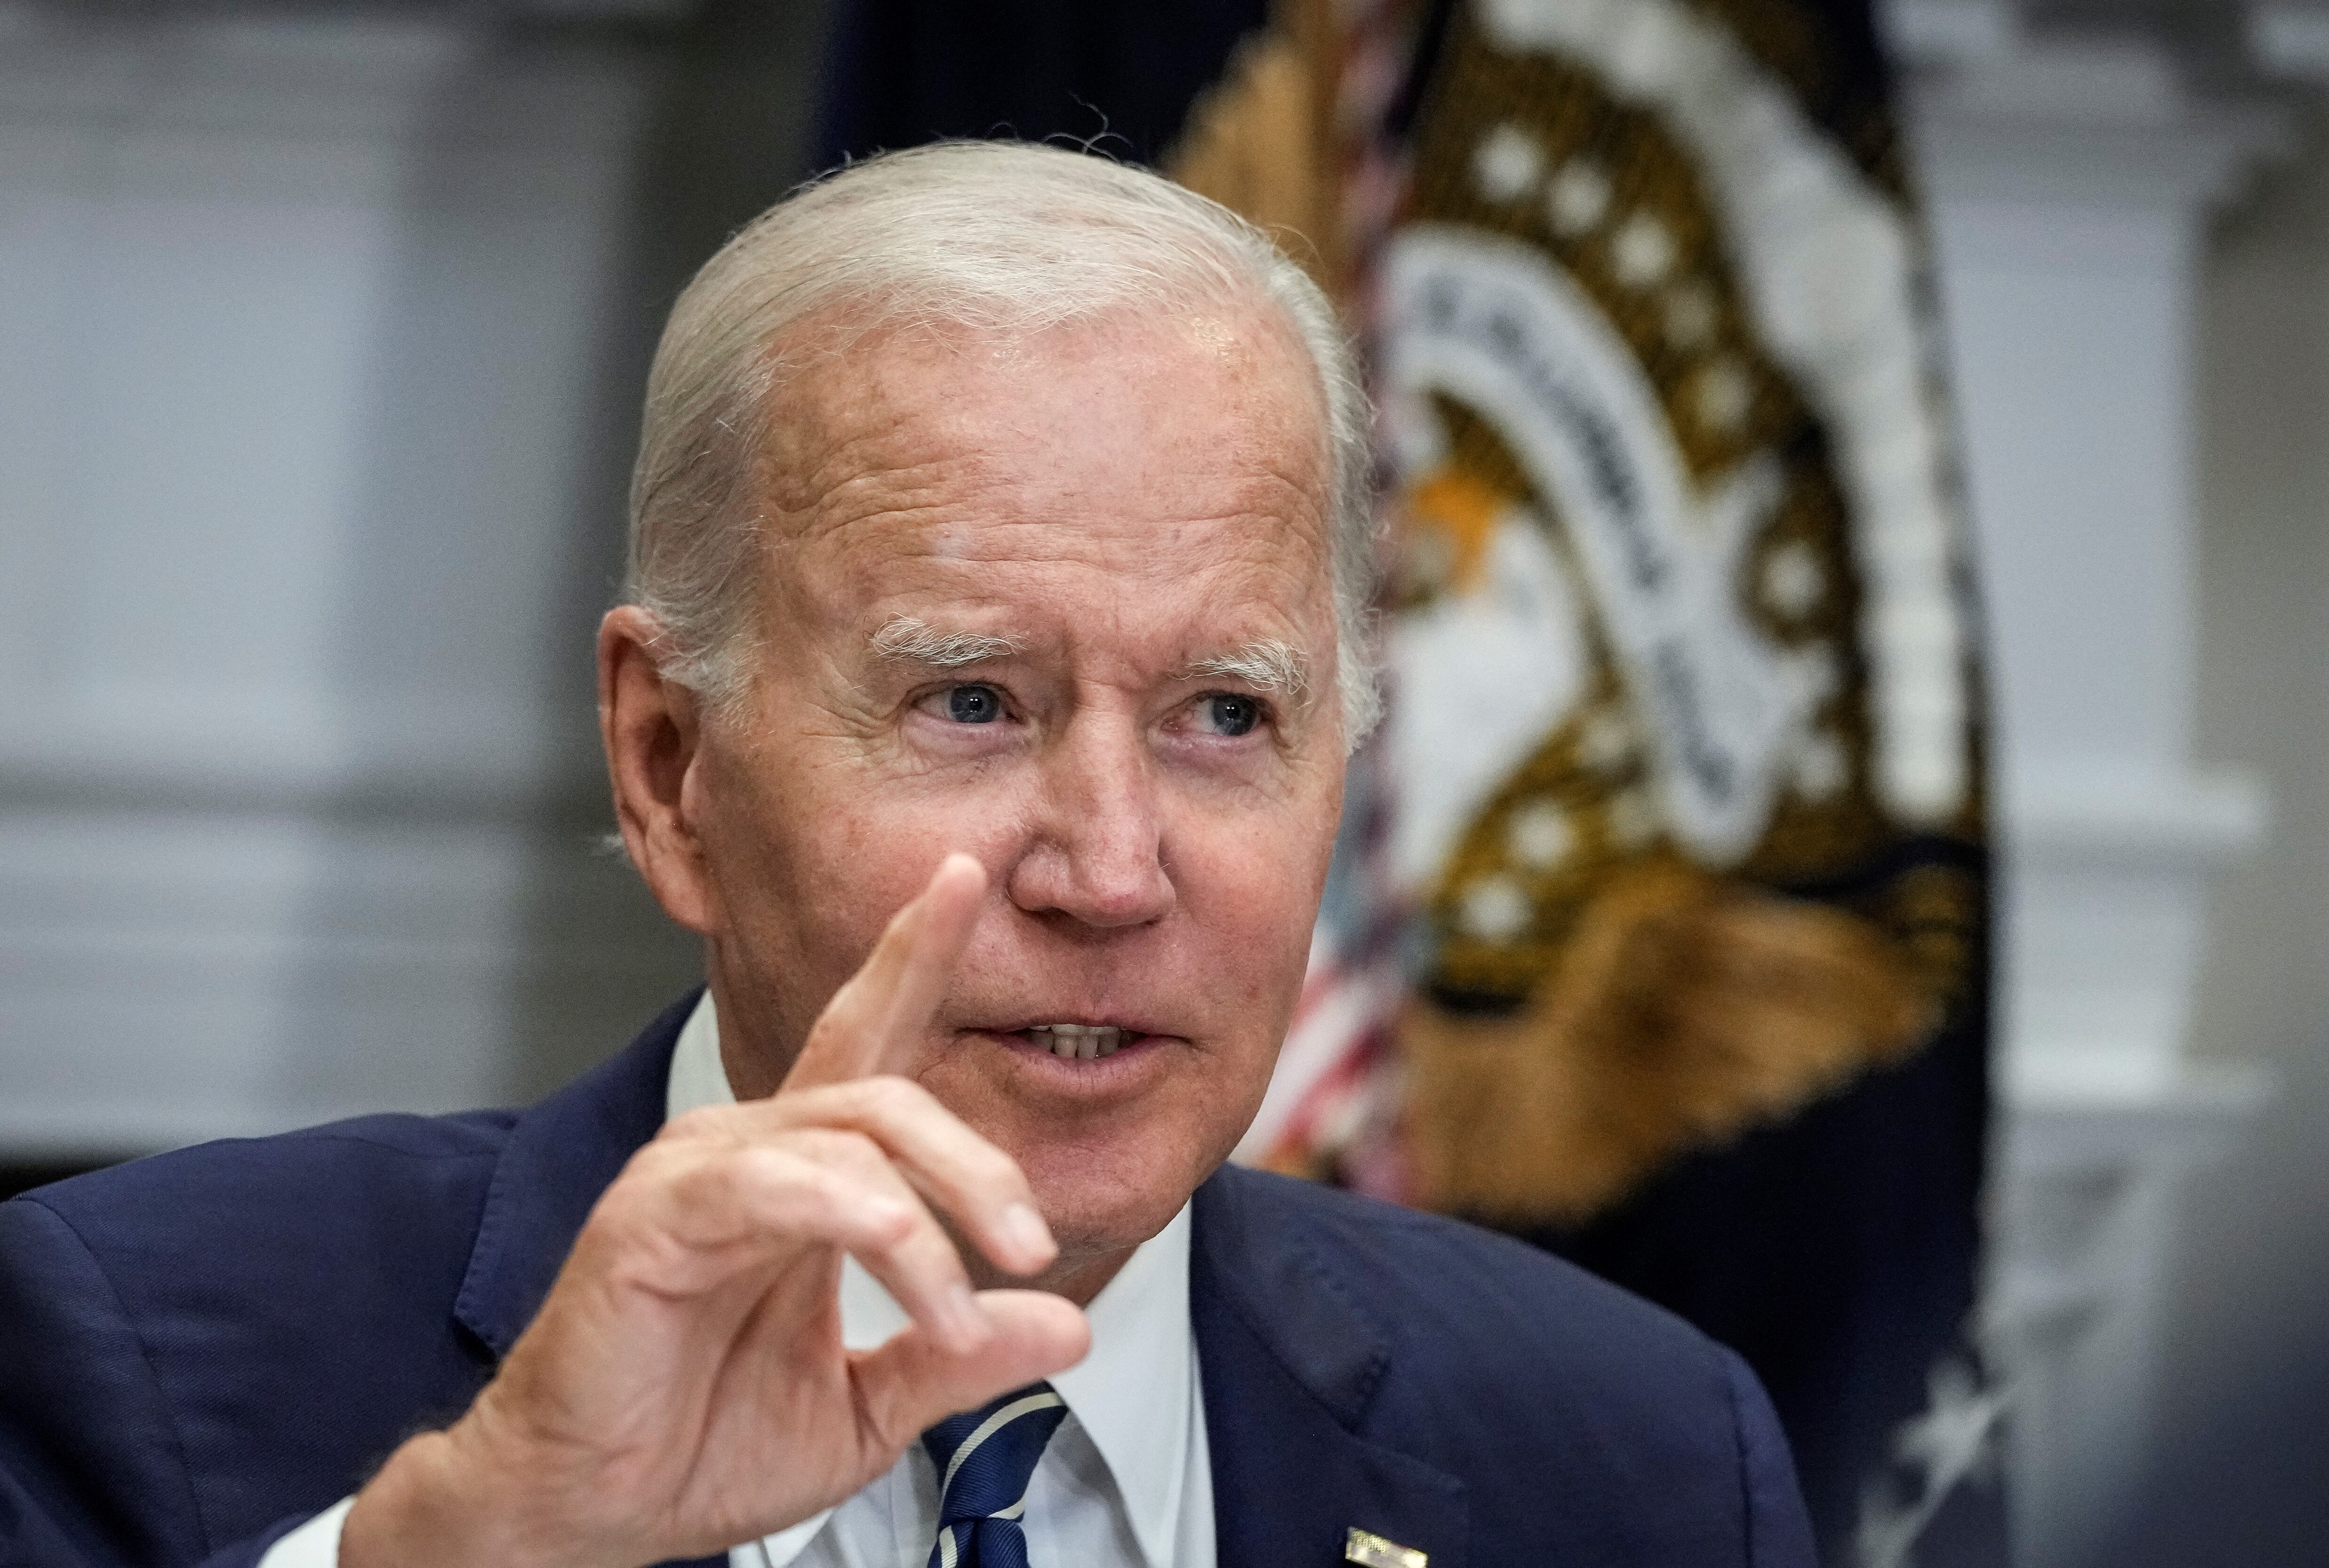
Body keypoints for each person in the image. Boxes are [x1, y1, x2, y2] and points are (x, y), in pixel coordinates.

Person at [0, 142, 1814, 1568]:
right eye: (970, 702)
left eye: (1226, 717)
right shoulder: (136, 1351)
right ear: (669, 763)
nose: (1110, 872)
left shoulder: (1643, 1462)